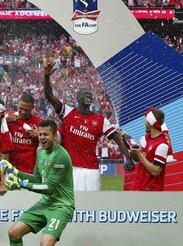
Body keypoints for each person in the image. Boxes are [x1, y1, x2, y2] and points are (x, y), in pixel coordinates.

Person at [0, 120, 74, 246]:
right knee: (14, 233)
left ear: (55, 135)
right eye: (40, 134)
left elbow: (49, 187)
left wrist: (21, 184)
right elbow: (38, 178)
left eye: (46, 135)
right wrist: (16, 172)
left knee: (46, 245)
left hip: (61, 206)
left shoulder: (61, 156)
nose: (42, 138)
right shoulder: (40, 154)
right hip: (45, 204)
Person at [43, 62, 133, 191]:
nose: (88, 96)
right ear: (78, 98)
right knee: (72, 205)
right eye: (85, 94)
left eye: (90, 95)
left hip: (92, 170)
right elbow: (50, 96)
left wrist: (128, 158)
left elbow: (117, 138)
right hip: (71, 168)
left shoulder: (100, 120)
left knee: (91, 204)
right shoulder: (68, 112)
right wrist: (46, 77)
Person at [1, 93, 42, 182]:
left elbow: (52, 139)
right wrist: (4, 121)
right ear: (18, 105)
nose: (23, 112)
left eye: (26, 110)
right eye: (21, 108)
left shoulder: (38, 123)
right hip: (11, 169)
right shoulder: (10, 119)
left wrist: (40, 134)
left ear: (32, 108)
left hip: (29, 170)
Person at [128, 108, 168, 191]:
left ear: (150, 122)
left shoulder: (162, 145)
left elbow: (155, 171)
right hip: (138, 188)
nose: (144, 123)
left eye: (145, 120)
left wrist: (140, 155)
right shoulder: (145, 138)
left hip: (151, 192)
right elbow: (138, 159)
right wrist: (131, 151)